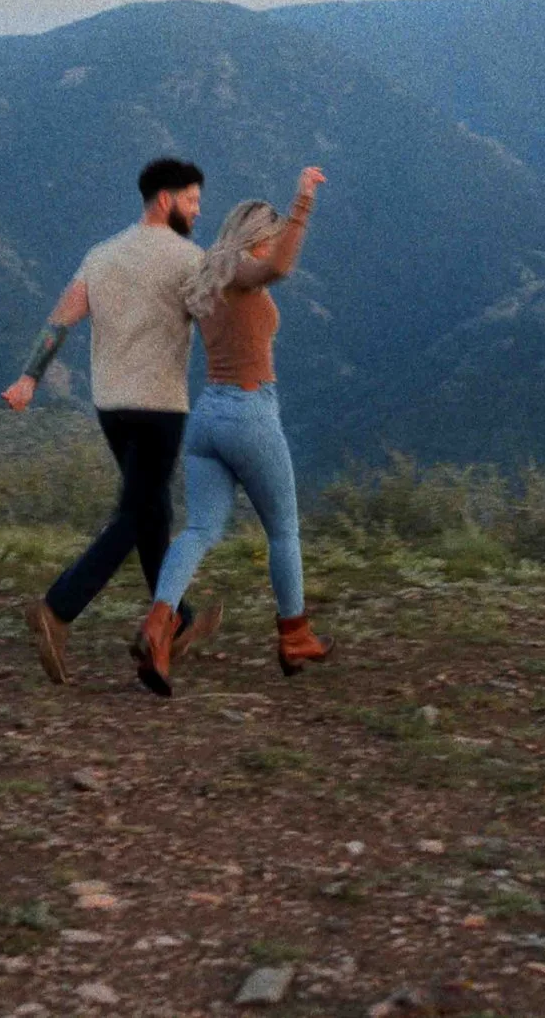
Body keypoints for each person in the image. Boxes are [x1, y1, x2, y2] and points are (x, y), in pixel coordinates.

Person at [6, 156, 220, 684]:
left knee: (150, 512)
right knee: (136, 514)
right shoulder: (190, 259)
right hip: (161, 407)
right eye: (192, 200)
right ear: (166, 199)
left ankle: (176, 619)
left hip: (111, 407)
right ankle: (58, 609)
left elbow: (59, 322)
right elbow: (223, 326)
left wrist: (30, 377)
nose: (198, 211)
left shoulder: (100, 255)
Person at [133, 164, 328, 697]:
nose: (273, 246)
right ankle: (295, 636)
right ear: (256, 237)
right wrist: (303, 203)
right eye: (270, 236)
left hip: (207, 419)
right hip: (248, 411)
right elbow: (282, 268)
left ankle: (159, 624)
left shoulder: (209, 277)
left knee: (200, 530)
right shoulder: (242, 272)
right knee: (283, 531)